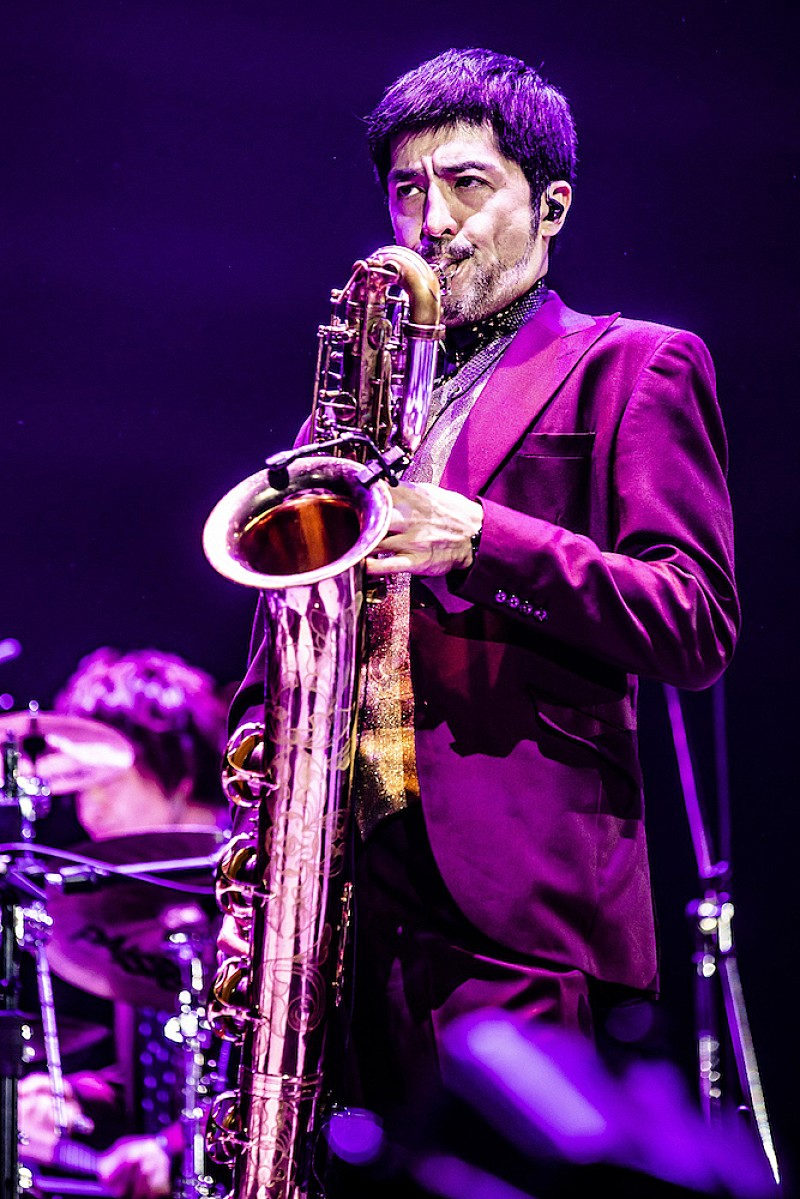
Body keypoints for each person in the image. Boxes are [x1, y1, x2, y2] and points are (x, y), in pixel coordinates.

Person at [221, 45, 739, 1185]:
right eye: (407, 190)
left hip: (520, 905)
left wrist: (486, 539)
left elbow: (695, 620)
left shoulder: (633, 364)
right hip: (342, 905)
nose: (433, 220)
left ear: (550, 206)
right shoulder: (353, 414)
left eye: (466, 184)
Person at [18, 647, 231, 1199]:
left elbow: (256, 1073)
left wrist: (174, 1149)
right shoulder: (136, 900)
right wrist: (76, 1096)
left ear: (176, 769)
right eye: (80, 789)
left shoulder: (251, 893)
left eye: (107, 784)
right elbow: (166, 1071)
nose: (89, 812)